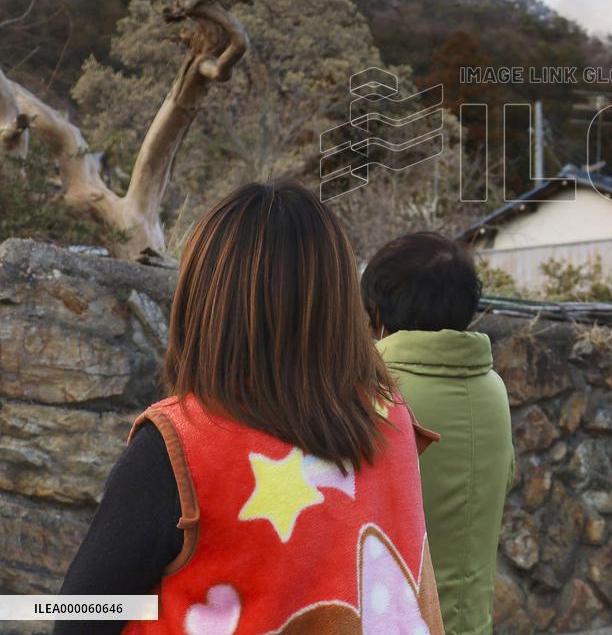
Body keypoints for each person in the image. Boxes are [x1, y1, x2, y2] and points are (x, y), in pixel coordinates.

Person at [58, 180, 444, 635]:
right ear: (338, 299)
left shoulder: (179, 447)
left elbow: (80, 616)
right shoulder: (389, 416)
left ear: (205, 301)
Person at [361, 233, 513, 635]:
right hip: (472, 621)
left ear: (378, 314)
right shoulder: (494, 390)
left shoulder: (377, 393)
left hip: (397, 622)